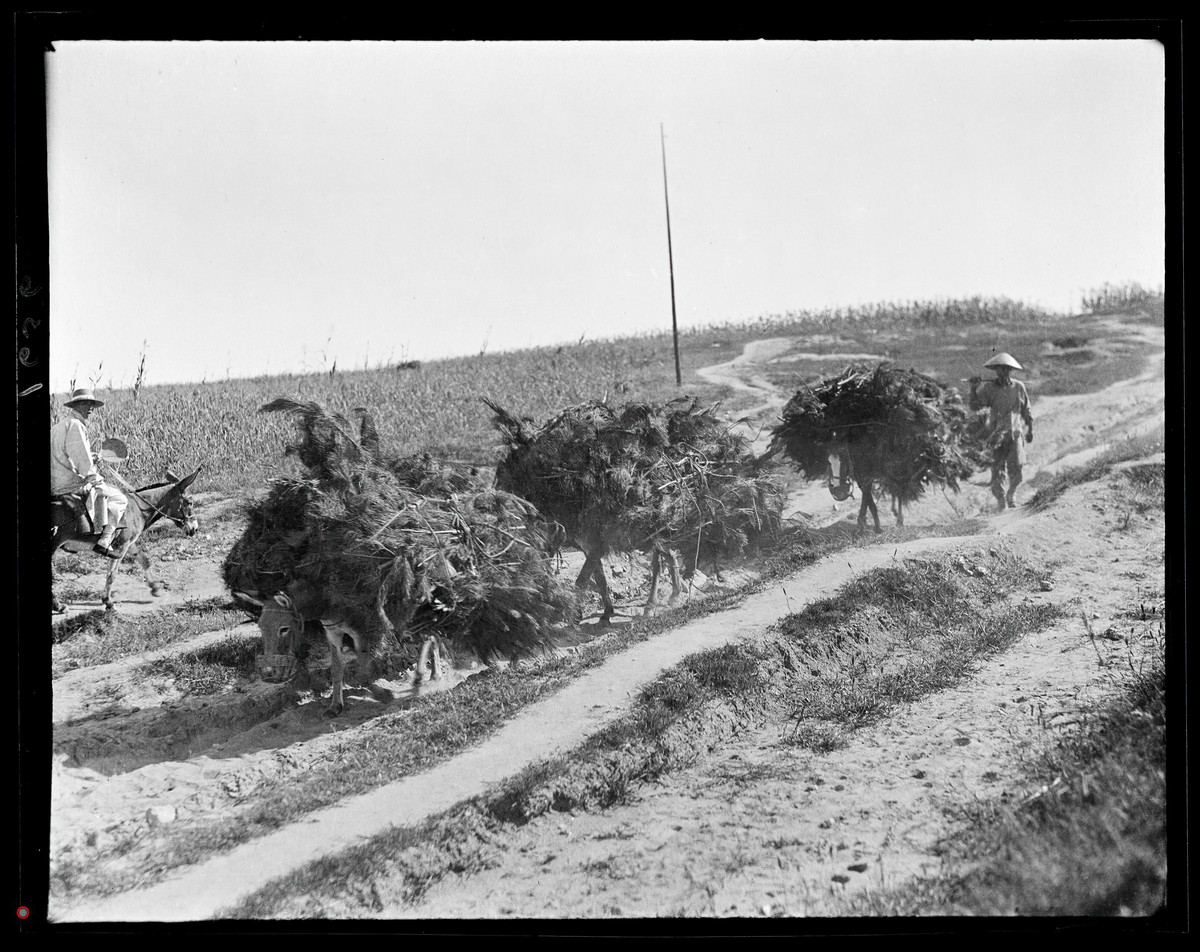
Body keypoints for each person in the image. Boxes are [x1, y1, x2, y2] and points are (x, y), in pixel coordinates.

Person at [51, 388, 127, 557]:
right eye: (87, 404)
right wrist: (96, 479)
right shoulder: (76, 426)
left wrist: (92, 457)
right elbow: (84, 463)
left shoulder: (59, 426)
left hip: (56, 481)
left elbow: (66, 455)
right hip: (68, 484)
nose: (91, 409)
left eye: (92, 405)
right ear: (77, 405)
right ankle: (103, 540)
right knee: (119, 498)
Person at [969, 353, 1034, 510]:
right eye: (1000, 369)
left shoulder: (1018, 387)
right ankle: (1001, 500)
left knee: (1017, 468)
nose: (1003, 372)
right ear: (996, 371)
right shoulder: (989, 388)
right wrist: (973, 389)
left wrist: (1030, 429)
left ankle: (1012, 493)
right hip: (996, 434)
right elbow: (975, 406)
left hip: (1015, 433)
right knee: (997, 471)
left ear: (1010, 370)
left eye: (1006, 369)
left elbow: (1027, 410)